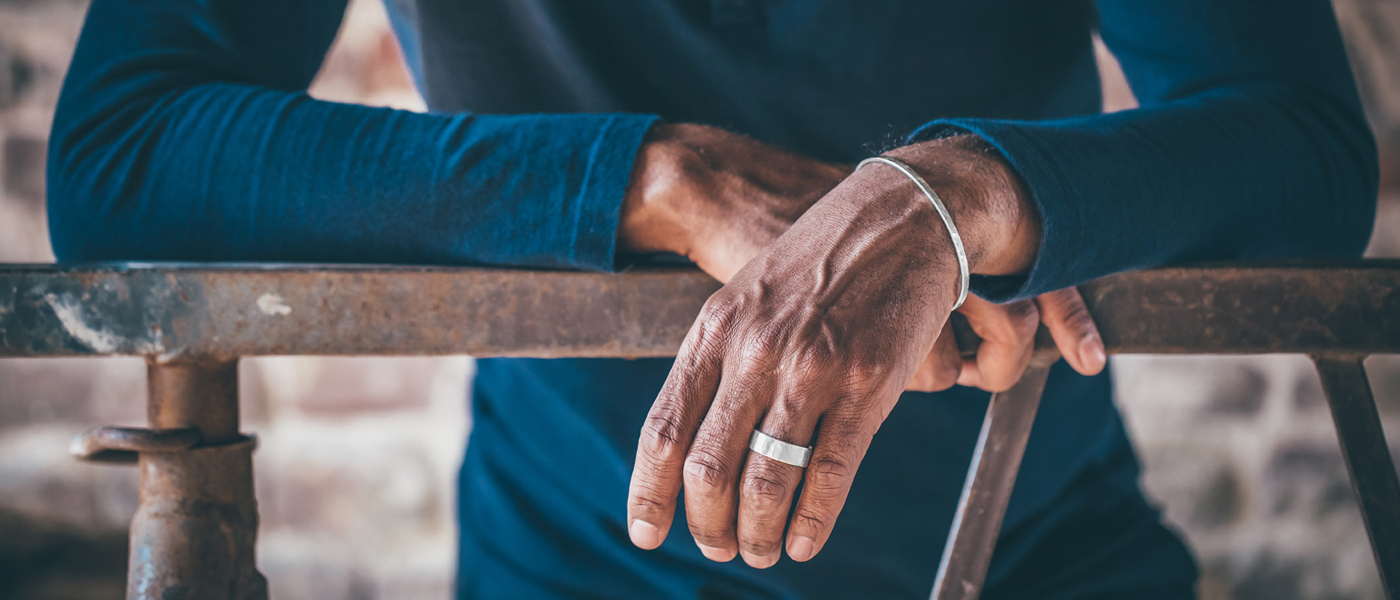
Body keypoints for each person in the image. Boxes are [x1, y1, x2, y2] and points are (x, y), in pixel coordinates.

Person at [46, 0, 1376, 598]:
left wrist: (962, 192)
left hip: (1037, 546)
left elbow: (1308, 147)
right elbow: (122, 153)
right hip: (579, 557)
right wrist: (653, 179)